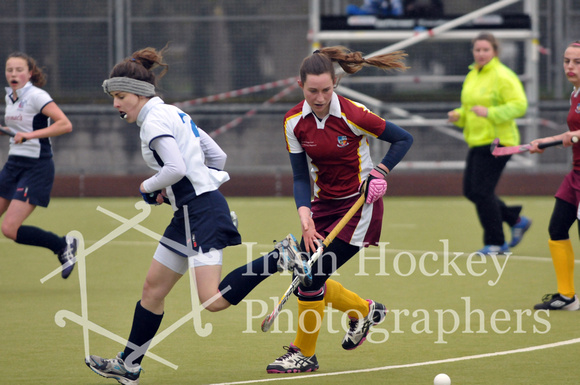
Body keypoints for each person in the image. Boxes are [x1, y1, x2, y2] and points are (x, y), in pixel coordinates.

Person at [85, 46, 311, 385]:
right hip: (191, 210)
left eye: (120, 96)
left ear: (138, 93)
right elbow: (216, 156)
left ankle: (279, 257)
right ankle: (129, 364)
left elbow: (174, 167)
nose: (115, 104)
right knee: (152, 291)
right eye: (114, 97)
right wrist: (185, 188)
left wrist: (148, 187)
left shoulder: (153, 122)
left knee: (212, 301)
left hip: (200, 212)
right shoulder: (174, 113)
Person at [266, 46, 413, 374]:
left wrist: (382, 171)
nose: (319, 98)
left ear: (335, 84)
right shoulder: (293, 122)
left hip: (359, 206)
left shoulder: (354, 114)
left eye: (326, 90)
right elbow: (300, 175)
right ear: (300, 85)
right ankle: (364, 310)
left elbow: (403, 139)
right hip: (322, 207)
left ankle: (304, 353)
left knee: (312, 276)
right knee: (306, 274)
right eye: (312, 91)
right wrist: (304, 212)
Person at [447, 32, 531, 255]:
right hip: (478, 140)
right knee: (471, 191)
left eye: (486, 50)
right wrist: (458, 115)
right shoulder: (472, 74)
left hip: (499, 142)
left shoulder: (503, 75)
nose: (481, 54)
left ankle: (496, 243)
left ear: (494, 51)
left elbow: (520, 105)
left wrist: (491, 112)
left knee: (483, 191)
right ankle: (516, 220)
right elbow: (469, 109)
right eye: (477, 50)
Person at [0, 52, 76, 278]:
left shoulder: (37, 95)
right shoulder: (9, 97)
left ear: (30, 73)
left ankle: (63, 245)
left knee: (9, 229)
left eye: (19, 70)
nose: (14, 74)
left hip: (36, 168)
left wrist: (30, 135)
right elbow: (18, 132)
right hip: (14, 164)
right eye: (10, 70)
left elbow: (65, 124)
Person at [528, 40, 580, 311]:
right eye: (566, 61)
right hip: (576, 175)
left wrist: (575, 135)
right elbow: (570, 134)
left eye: (577, 62)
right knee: (557, 228)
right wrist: (545, 142)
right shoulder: (575, 94)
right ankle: (567, 296)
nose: (570, 67)